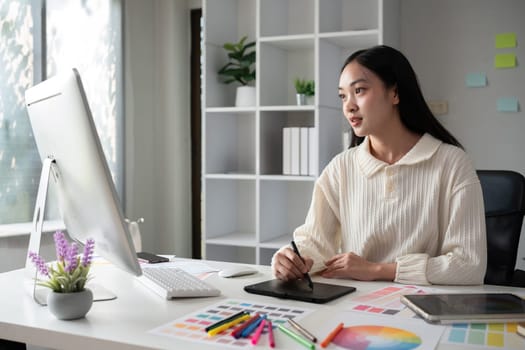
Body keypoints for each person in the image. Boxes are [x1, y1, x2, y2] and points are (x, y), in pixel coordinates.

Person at [271, 45, 487, 285]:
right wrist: (292, 259)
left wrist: (377, 270)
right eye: (343, 96)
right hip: (354, 304)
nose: (348, 105)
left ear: (394, 93)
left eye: (359, 90)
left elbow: (469, 265)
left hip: (424, 306)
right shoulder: (340, 168)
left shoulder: (452, 163)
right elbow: (315, 243)